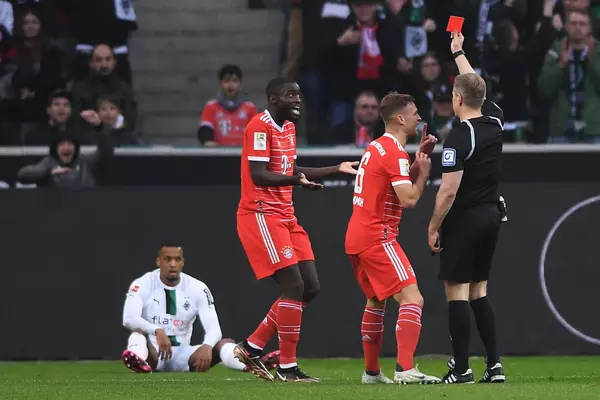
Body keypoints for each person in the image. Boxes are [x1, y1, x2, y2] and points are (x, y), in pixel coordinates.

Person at [234, 77, 358, 382]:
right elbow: (259, 174)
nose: (298, 99)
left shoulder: (288, 128)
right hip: (261, 213)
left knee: (310, 287)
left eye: (299, 94)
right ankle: (287, 368)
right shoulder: (259, 127)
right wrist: (295, 181)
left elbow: (290, 170)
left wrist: (334, 169)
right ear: (273, 99)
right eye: (291, 95)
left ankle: (252, 346)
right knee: (293, 285)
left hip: (287, 216)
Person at [345, 92, 441, 385]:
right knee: (413, 298)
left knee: (375, 301)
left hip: (357, 236)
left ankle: (372, 372)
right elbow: (408, 199)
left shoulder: (377, 147)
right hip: (378, 236)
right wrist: (423, 174)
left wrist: (417, 159)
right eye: (414, 112)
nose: (419, 117)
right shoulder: (394, 153)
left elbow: (392, 181)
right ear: (400, 118)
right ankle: (405, 368)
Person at [427, 32, 506, 384]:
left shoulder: (459, 136)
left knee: (457, 291)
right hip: (492, 216)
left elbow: (448, 191)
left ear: (457, 99)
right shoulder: (495, 121)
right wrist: (458, 51)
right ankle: (494, 366)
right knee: (479, 291)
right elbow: (476, 86)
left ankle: (461, 369)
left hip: (464, 218)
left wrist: (433, 226)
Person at [121, 245, 280, 374]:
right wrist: (156, 330)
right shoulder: (143, 284)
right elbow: (129, 318)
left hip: (184, 355)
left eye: (177, 259)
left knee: (224, 343)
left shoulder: (197, 287)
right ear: (158, 261)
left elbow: (214, 328)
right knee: (138, 333)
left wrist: (207, 346)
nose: (173, 264)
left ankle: (252, 365)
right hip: (153, 353)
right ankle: (138, 362)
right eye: (167, 259)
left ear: (183, 262)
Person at [197, 64, 258, 147]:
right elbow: (205, 128)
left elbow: (257, 131)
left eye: (235, 81)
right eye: (226, 81)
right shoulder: (211, 106)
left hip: (243, 151)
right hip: (218, 152)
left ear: (240, 84)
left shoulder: (250, 107)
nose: (230, 85)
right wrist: (207, 140)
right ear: (220, 83)